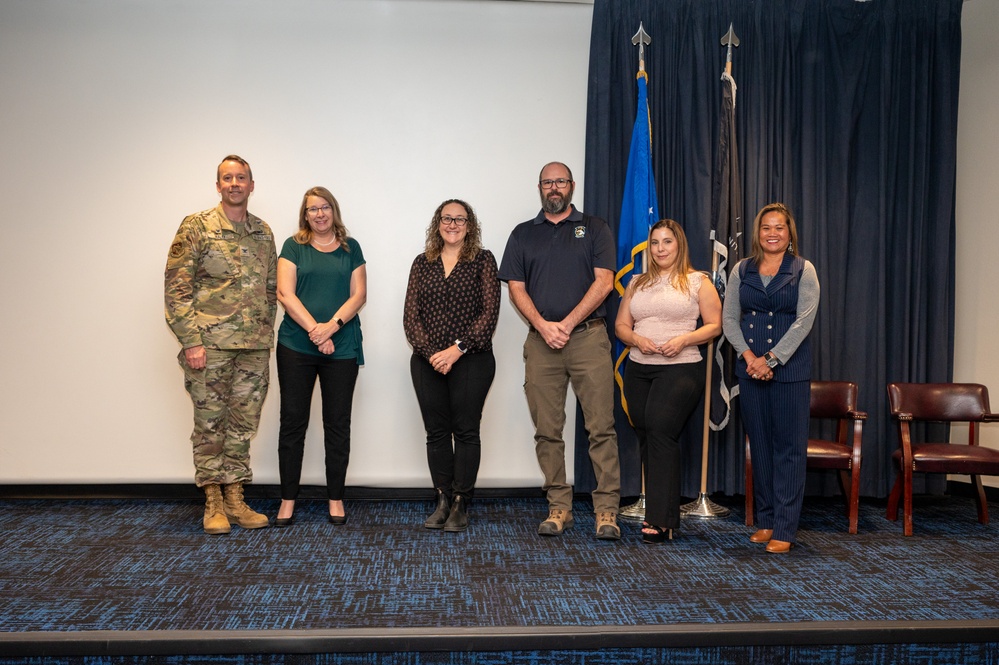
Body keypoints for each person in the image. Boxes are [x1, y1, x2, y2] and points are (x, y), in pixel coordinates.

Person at [498, 161, 622, 540]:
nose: (554, 188)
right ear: (540, 187)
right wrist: (544, 326)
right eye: (548, 182)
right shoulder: (523, 234)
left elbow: (605, 282)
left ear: (571, 186)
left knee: (601, 426)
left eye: (561, 181)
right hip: (541, 343)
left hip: (586, 338)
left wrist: (566, 325)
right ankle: (559, 507)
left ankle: (606, 511)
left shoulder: (596, 228)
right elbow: (516, 287)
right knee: (547, 431)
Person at [165, 154, 276, 535]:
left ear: (251, 185)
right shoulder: (196, 227)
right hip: (208, 346)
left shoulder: (263, 232)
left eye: (241, 178)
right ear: (218, 186)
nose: (234, 184)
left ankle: (235, 496)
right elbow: (177, 290)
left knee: (243, 424)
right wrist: (191, 341)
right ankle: (212, 499)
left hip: (254, 346)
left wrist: (265, 334)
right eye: (227, 178)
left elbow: (271, 288)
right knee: (210, 423)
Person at [615, 220, 721, 543]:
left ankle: (661, 519)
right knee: (646, 433)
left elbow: (715, 325)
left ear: (679, 246)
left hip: (681, 367)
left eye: (667, 242)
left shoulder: (697, 281)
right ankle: (660, 513)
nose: (661, 249)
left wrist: (685, 340)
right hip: (639, 367)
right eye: (656, 243)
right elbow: (621, 325)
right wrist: (636, 339)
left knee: (661, 428)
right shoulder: (636, 282)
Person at [722, 202, 820, 554]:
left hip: (789, 373)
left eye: (779, 227)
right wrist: (750, 358)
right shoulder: (741, 270)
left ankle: (784, 527)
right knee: (760, 448)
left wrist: (772, 359)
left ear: (789, 232)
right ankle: (765, 521)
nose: (773, 233)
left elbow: (803, 322)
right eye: (766, 227)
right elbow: (729, 320)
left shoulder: (802, 270)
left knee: (789, 451)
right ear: (757, 233)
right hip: (749, 372)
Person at [404, 199, 500, 532]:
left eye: (460, 219)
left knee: (466, 431)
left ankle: (461, 502)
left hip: (472, 360)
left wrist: (455, 350)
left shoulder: (483, 260)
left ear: (470, 225)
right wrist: (433, 353)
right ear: (437, 223)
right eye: (447, 218)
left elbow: (488, 315)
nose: (453, 224)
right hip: (427, 361)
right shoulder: (422, 262)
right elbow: (410, 316)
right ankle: (442, 499)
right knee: (437, 434)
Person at [272, 187, 366, 527]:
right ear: (305, 214)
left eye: (325, 207)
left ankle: (336, 498)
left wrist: (332, 328)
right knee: (293, 423)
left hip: (341, 348)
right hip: (297, 346)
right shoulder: (292, 246)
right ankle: (287, 499)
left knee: (337, 424)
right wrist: (316, 331)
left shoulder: (349, 248)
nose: (320, 214)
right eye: (313, 209)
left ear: (334, 211)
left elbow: (359, 295)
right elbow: (285, 293)